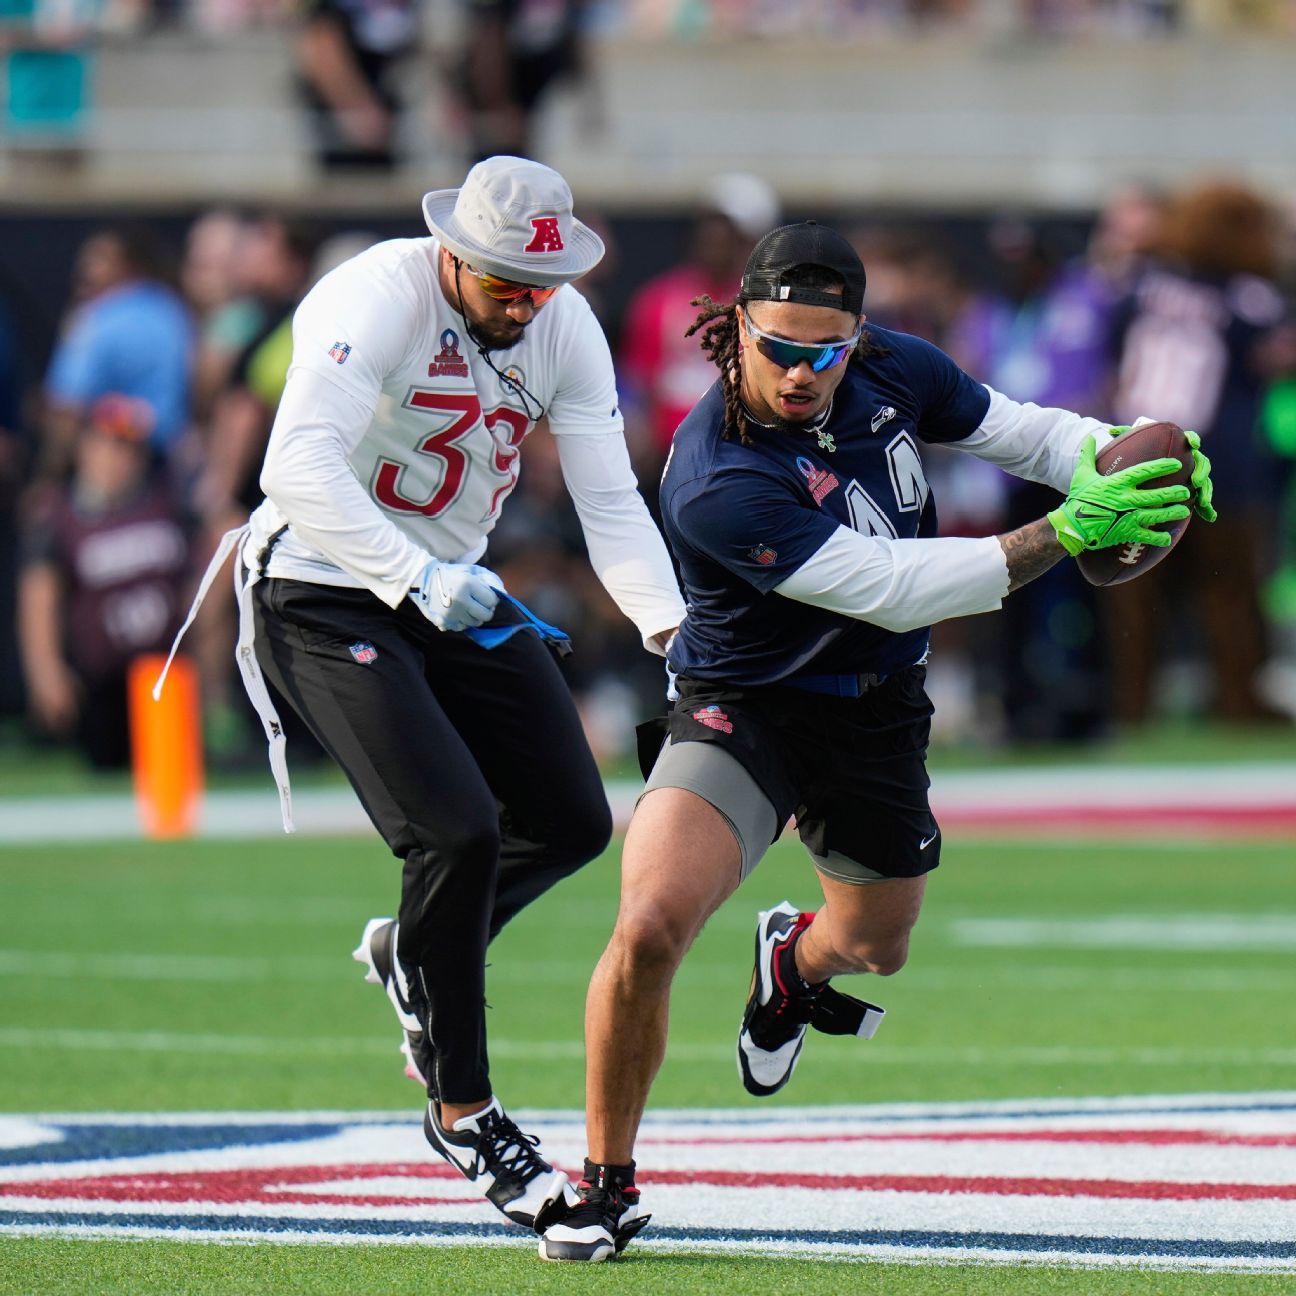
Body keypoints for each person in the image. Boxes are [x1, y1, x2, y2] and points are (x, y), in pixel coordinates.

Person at [537, 221, 1215, 1263]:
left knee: (877, 944)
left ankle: (791, 966)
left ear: (857, 336)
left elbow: (1028, 435)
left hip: (878, 706)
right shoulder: (715, 473)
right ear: (735, 328)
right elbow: (888, 586)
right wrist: (1068, 530)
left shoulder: (895, 366)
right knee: (650, 925)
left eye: (826, 350)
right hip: (746, 703)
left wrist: (1122, 453)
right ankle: (604, 1182)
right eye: (778, 347)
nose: (801, 372)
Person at [164, 156, 685, 1234]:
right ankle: (465, 1113)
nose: (525, 306)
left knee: (570, 818)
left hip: (447, 586)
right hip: (324, 586)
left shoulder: (563, 325)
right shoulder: (375, 294)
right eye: (505, 284)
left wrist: (672, 631)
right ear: (453, 251)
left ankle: (415, 950)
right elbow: (295, 466)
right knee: (453, 833)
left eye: (541, 285)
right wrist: (413, 574)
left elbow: (609, 500)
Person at [19, 394, 190, 768]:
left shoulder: (167, 502)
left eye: (128, 450)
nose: (117, 460)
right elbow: (39, 596)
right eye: (108, 446)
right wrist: (46, 672)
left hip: (166, 673)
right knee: (109, 765)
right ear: (85, 449)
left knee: (171, 768)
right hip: (102, 682)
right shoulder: (60, 516)